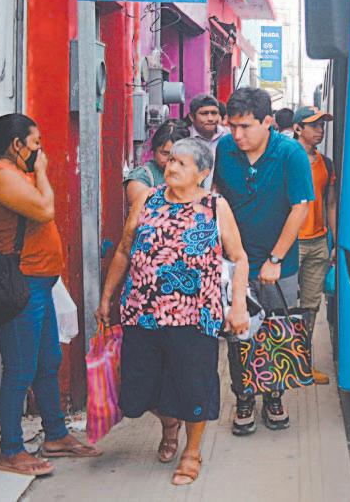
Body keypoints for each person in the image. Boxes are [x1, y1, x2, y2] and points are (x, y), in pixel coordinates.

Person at [96, 138, 250, 486]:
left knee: (194, 387)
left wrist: (238, 305)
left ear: (202, 173)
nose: (172, 167)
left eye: (182, 163)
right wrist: (107, 297)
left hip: (195, 317)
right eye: (171, 160)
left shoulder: (215, 206)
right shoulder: (148, 199)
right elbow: (124, 250)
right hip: (142, 313)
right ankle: (169, 423)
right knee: (138, 391)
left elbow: (239, 258)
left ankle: (191, 452)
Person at [0, 114, 100, 477]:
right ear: (17, 145)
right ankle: (10, 449)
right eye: (35, 144)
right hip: (20, 284)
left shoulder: (14, 172)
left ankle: (56, 434)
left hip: (39, 282)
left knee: (48, 361)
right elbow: (45, 210)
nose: (39, 152)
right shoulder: (0, 174)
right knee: (20, 368)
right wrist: (42, 171)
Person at [213, 87, 313, 436]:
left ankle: (273, 395)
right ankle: (243, 397)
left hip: (277, 264)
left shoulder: (290, 153)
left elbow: (300, 207)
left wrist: (276, 258)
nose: (237, 135)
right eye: (232, 126)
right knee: (238, 333)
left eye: (245, 126)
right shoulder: (225, 149)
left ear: (268, 122)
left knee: (274, 330)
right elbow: (216, 195)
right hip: (234, 264)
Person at [293, 107, 338, 386]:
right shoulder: (286, 159)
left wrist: (335, 240)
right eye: (313, 125)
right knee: (284, 306)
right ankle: (281, 362)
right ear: (298, 128)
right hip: (290, 243)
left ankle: (303, 363)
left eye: (321, 125)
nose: (319, 130)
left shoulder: (326, 164)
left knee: (311, 306)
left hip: (318, 242)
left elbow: (330, 203)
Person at [123, 120, 189, 206]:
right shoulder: (142, 176)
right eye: (165, 153)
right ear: (154, 151)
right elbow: (138, 206)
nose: (171, 160)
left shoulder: (194, 173)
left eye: (178, 154)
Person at [187, 93, 228, 188]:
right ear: (192, 117)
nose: (210, 118)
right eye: (204, 114)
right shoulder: (185, 138)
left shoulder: (228, 136)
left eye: (214, 113)